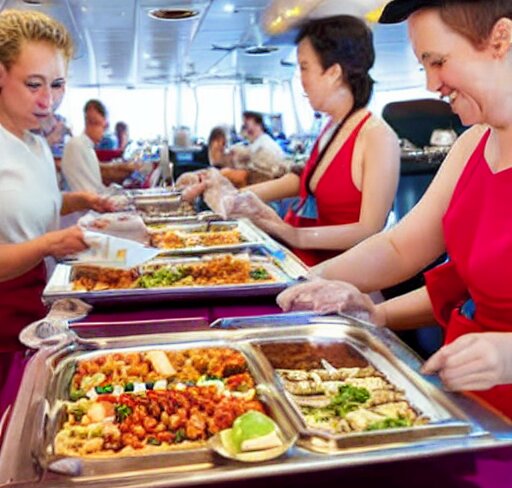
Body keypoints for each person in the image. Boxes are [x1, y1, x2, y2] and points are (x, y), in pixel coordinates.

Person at [277, 0, 512, 418]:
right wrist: (312, 285)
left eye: (437, 61)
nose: (430, 83)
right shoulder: (472, 143)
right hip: (460, 400)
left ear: (501, 40)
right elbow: (401, 247)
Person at [183, 16, 400, 267]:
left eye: (305, 67)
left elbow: (368, 230)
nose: (301, 80)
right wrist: (231, 195)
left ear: (333, 73)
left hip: (338, 273)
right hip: (301, 260)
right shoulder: (333, 126)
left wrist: (292, 233)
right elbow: (304, 181)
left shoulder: (377, 136)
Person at [0, 9, 114, 345]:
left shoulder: (35, 144)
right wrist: (49, 243)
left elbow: (24, 203)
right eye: (33, 84)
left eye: (57, 84)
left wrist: (81, 200)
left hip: (38, 299)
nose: (48, 100)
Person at [61, 99, 138, 193]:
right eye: (103, 127)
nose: (104, 133)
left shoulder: (85, 146)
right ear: (92, 122)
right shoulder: (77, 145)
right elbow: (88, 191)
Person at [221, 110, 286, 187]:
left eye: (246, 124)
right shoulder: (258, 142)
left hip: (268, 183)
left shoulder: (264, 145)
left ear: (258, 124)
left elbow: (259, 173)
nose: (245, 129)